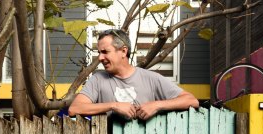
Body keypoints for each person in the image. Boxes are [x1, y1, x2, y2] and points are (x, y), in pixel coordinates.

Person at [69, 29, 199, 120]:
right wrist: (114, 105)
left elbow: (191, 101)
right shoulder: (97, 80)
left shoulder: (151, 78)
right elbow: (75, 109)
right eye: (99, 53)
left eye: (105, 52)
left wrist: (156, 105)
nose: (100, 57)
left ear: (123, 51)